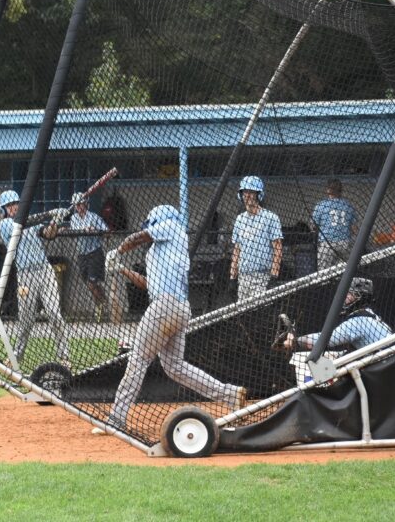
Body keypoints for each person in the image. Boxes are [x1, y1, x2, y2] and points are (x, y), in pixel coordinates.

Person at [94, 205, 246, 435]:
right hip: (176, 308)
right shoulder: (156, 252)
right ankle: (229, 394)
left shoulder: (173, 227)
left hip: (165, 307)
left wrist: (119, 249)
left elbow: (139, 236)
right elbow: (147, 285)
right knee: (175, 367)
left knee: (137, 360)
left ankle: (116, 418)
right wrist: (121, 269)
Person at [0, 190, 71, 368]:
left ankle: (64, 357)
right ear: (4, 209)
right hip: (25, 275)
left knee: (54, 313)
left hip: (44, 270)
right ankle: (17, 355)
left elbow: (48, 234)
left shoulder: (29, 221)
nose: (13, 207)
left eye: (15, 204)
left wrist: (54, 222)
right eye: (9, 206)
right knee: (26, 319)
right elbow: (21, 224)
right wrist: (49, 214)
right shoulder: (6, 224)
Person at [283, 277, 390, 352]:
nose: (344, 298)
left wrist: (295, 342)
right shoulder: (369, 314)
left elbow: (327, 340)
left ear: (360, 296)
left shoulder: (359, 321)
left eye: (349, 294)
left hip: (385, 367)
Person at [230, 176, 283, 302]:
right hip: (243, 277)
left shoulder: (270, 217)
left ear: (258, 195)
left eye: (251, 192)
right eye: (244, 192)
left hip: (262, 276)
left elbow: (278, 248)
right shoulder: (240, 219)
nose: (247, 195)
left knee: (259, 313)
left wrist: (274, 276)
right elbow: (236, 250)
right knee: (242, 316)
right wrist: (232, 277)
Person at [68, 192, 109, 311]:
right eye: (76, 205)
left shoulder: (94, 217)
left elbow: (106, 232)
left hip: (94, 253)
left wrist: (95, 230)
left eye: (81, 204)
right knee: (90, 283)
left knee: (92, 283)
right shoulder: (74, 218)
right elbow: (74, 233)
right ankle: (103, 302)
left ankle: (100, 306)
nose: (79, 207)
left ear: (86, 204)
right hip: (82, 255)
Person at [311, 178, 359, 270]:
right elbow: (354, 228)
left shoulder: (321, 205)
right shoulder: (348, 205)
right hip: (344, 242)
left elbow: (314, 226)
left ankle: (326, 284)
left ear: (328, 190)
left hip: (327, 242)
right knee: (343, 270)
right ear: (340, 190)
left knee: (323, 271)